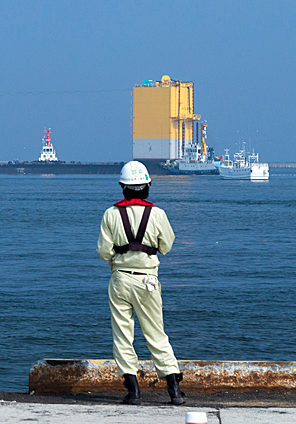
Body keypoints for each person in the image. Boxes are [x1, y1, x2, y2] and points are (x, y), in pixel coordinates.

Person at [97, 160, 185, 406]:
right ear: (147, 186)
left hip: (121, 279)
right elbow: (166, 246)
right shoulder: (157, 214)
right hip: (148, 280)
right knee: (156, 333)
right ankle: (174, 389)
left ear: (122, 187)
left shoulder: (111, 214)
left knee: (123, 335)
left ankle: (133, 390)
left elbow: (104, 252)